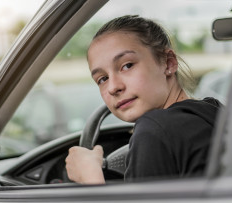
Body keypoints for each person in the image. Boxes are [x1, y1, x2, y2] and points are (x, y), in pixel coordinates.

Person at [65, 15, 222, 184]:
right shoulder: (212, 110)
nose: (113, 87)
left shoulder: (154, 129)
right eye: (102, 79)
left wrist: (90, 177)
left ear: (168, 63)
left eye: (127, 66)